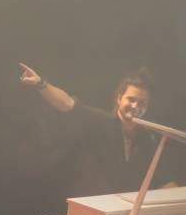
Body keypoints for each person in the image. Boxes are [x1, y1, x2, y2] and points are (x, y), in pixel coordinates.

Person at [18, 63, 161, 196]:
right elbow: (67, 104)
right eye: (131, 99)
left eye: (142, 103)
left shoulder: (147, 139)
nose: (136, 106)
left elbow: (162, 180)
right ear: (119, 98)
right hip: (88, 209)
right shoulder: (100, 121)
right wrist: (40, 83)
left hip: (122, 214)